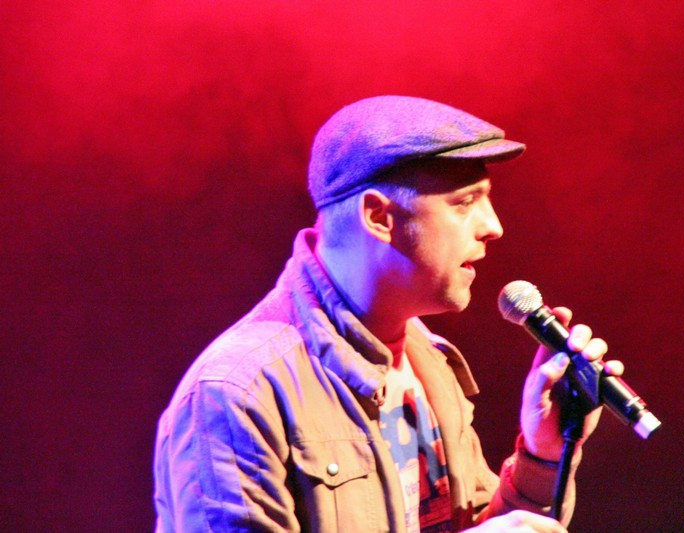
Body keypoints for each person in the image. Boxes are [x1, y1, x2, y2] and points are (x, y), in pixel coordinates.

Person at [153, 95, 621, 532]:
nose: (493, 227)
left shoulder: (428, 358)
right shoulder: (236, 393)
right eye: (464, 203)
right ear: (379, 217)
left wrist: (544, 455)